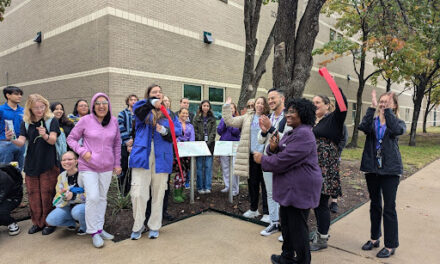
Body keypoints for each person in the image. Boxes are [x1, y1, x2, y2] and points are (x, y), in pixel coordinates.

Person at [254, 98, 322, 264]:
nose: (288, 114)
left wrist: (262, 159)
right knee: (287, 226)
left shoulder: (304, 134)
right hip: (290, 187)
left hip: (300, 188)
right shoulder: (293, 132)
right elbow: (279, 151)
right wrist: (272, 148)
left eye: (293, 111)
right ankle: (287, 257)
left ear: (303, 114)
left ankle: (303, 261)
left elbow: (283, 160)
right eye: (288, 111)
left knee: (298, 228)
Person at [67, 93, 121, 248]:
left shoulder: (114, 121)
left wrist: (117, 163)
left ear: (108, 105)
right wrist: (83, 152)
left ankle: (99, 227)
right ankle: (93, 232)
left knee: (103, 198)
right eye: (98, 103)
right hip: (88, 166)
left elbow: (117, 144)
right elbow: (71, 139)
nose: (101, 106)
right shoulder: (85, 120)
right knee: (93, 197)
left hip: (107, 166)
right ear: (93, 105)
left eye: (104, 103)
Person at [129, 84, 181, 240]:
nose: (158, 94)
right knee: (138, 193)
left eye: (160, 92)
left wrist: (164, 131)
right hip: (142, 156)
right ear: (149, 95)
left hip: (162, 157)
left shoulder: (169, 114)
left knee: (158, 193)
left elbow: (177, 130)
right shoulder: (142, 110)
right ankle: (138, 226)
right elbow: (137, 107)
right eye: (154, 92)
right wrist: (152, 103)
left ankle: (154, 226)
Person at [6, 94, 61, 236]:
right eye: (36, 107)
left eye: (42, 107)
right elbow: (21, 142)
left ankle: (49, 222)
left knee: (47, 194)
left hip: (48, 163)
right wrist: (11, 139)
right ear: (30, 108)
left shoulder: (51, 120)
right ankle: (37, 223)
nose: (39, 110)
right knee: (33, 195)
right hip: (31, 163)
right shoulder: (25, 122)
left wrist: (45, 135)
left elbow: (53, 140)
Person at [359, 90, 405, 258]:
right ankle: (374, 238)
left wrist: (388, 113)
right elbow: (362, 127)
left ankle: (391, 245)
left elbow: (396, 130)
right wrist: (372, 108)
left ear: (394, 105)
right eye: (381, 101)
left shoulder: (398, 122)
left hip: (390, 171)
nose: (383, 103)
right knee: (375, 205)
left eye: (387, 101)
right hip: (372, 169)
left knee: (389, 207)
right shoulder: (373, 121)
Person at [310, 89, 347, 251]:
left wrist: (332, 83)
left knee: (321, 203)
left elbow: (343, 105)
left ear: (327, 105)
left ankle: (322, 239)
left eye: (318, 102)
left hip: (325, 167)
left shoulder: (334, 119)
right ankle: (320, 233)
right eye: (313, 103)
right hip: (313, 165)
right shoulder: (313, 121)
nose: (314, 105)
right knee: (316, 203)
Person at [222, 97, 269, 219]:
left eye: (262, 103)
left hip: (264, 156)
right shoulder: (247, 117)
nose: (259, 105)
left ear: (265, 106)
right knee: (252, 183)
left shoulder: (269, 118)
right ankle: (253, 209)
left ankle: (267, 212)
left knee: (265, 185)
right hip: (251, 155)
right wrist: (227, 106)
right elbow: (230, 121)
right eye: (257, 103)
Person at [258, 88, 289, 234]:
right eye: (268, 99)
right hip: (268, 159)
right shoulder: (269, 117)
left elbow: (285, 139)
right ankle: (274, 222)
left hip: (282, 161)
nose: (270, 101)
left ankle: (287, 228)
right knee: (270, 193)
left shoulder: (289, 117)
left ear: (282, 99)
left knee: (284, 193)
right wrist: (264, 131)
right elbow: (260, 139)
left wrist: (270, 129)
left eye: (273, 98)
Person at [46, 151, 87, 235]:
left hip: (83, 206)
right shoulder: (61, 176)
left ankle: (84, 226)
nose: (66, 162)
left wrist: (74, 196)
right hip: (67, 206)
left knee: (77, 211)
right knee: (50, 220)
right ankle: (72, 223)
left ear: (76, 161)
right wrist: (63, 196)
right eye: (64, 160)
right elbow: (57, 197)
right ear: (61, 162)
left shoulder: (84, 175)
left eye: (69, 159)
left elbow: (91, 194)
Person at [193, 100, 216, 194]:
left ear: (209, 107)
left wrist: (208, 142)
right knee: (199, 167)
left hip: (210, 145)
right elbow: (195, 131)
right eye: (204, 105)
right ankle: (199, 187)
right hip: (199, 145)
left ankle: (207, 187)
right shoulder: (196, 118)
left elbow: (213, 132)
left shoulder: (212, 119)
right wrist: (201, 141)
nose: (206, 107)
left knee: (208, 166)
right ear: (201, 107)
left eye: (207, 106)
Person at [217, 102, 241, 196]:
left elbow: (236, 132)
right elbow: (219, 131)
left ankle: (235, 188)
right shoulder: (223, 118)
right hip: (223, 145)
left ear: (235, 110)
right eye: (228, 108)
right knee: (225, 167)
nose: (230, 110)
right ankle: (228, 186)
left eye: (232, 108)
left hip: (234, 145)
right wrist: (224, 122)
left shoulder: (238, 119)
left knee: (234, 167)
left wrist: (229, 123)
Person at [118, 94, 139, 195]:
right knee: (124, 167)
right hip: (124, 145)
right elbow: (119, 126)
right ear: (128, 101)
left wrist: (134, 142)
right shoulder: (122, 113)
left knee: (134, 169)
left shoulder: (139, 114)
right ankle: (123, 192)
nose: (133, 101)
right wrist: (127, 140)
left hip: (136, 145)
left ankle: (132, 191)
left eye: (135, 100)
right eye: (131, 100)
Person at [0, 86, 25, 171]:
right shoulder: (1, 110)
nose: (20, 96)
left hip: (21, 143)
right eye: (16, 94)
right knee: (5, 170)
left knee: (19, 170)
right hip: (5, 144)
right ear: (8, 95)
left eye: (20, 94)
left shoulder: (23, 111)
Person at [173, 108, 195, 202]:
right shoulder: (175, 123)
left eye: (186, 113)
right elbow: (174, 135)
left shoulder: (190, 126)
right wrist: (179, 144)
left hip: (187, 151)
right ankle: (176, 194)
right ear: (179, 113)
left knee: (185, 172)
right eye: (183, 113)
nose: (185, 115)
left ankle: (181, 192)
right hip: (177, 150)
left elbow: (192, 137)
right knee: (179, 172)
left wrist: (189, 146)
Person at [329, 124, 348, 214]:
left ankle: (334, 202)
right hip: (319, 155)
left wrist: (337, 150)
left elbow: (344, 139)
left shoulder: (340, 123)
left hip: (335, 156)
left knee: (334, 178)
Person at [0, 164, 23, 236]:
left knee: (1, 212)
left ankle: (11, 223)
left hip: (12, 197)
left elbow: (3, 193)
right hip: (3, 197)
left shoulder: (3, 177)